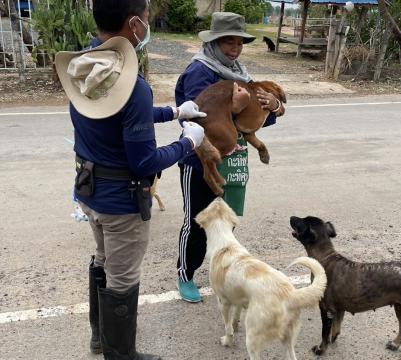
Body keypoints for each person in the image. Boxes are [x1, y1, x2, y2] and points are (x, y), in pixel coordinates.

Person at [55, 0, 206, 359]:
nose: (148, 27)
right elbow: (144, 162)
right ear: (134, 23)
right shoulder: (132, 85)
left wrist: (173, 111)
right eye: (148, 19)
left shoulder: (87, 65)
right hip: (122, 202)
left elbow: (115, 116)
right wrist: (187, 143)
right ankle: (119, 355)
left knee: (102, 261)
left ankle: (100, 339)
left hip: (89, 190)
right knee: (122, 280)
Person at [174, 12, 285, 303]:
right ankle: (185, 274)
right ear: (214, 43)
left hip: (233, 158)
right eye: (228, 43)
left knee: (226, 221)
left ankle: (220, 272)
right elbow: (195, 117)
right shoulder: (199, 71)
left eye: (239, 43)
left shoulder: (239, 71)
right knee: (196, 222)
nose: (235, 49)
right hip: (198, 158)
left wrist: (273, 106)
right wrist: (234, 109)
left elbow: (254, 120)